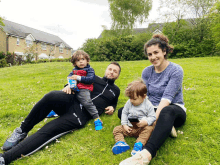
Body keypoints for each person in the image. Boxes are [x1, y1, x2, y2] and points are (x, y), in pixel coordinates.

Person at [0, 62, 121, 165]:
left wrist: (112, 107)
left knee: (47, 130)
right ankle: (22, 130)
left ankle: (4, 158)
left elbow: (114, 103)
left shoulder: (116, 91)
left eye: (115, 71)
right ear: (106, 70)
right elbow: (76, 80)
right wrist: (68, 85)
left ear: (118, 76)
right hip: (72, 100)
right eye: (110, 69)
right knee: (51, 96)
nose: (111, 72)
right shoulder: (93, 78)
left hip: (79, 116)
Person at [119, 34, 186, 165]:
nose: (153, 57)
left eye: (156, 52)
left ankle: (146, 154)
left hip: (173, 108)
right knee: (122, 111)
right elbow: (145, 96)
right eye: (150, 54)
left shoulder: (176, 70)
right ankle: (165, 126)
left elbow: (166, 99)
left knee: (166, 112)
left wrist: (150, 120)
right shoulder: (147, 72)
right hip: (152, 107)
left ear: (164, 51)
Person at [112, 80, 156, 156]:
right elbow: (124, 113)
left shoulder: (148, 105)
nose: (131, 100)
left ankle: (139, 144)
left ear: (143, 97)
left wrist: (146, 122)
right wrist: (125, 125)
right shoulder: (129, 102)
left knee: (149, 129)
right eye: (130, 98)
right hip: (129, 128)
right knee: (117, 129)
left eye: (134, 99)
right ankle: (121, 143)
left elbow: (153, 117)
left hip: (141, 129)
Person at [68, 50, 102, 131]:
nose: (81, 62)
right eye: (78, 60)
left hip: (84, 88)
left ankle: (96, 118)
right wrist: (69, 83)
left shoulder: (89, 70)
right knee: (63, 95)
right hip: (74, 88)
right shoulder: (74, 70)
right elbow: (69, 77)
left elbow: (90, 79)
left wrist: (78, 77)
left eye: (83, 59)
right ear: (75, 63)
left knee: (87, 102)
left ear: (87, 60)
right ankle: (55, 110)